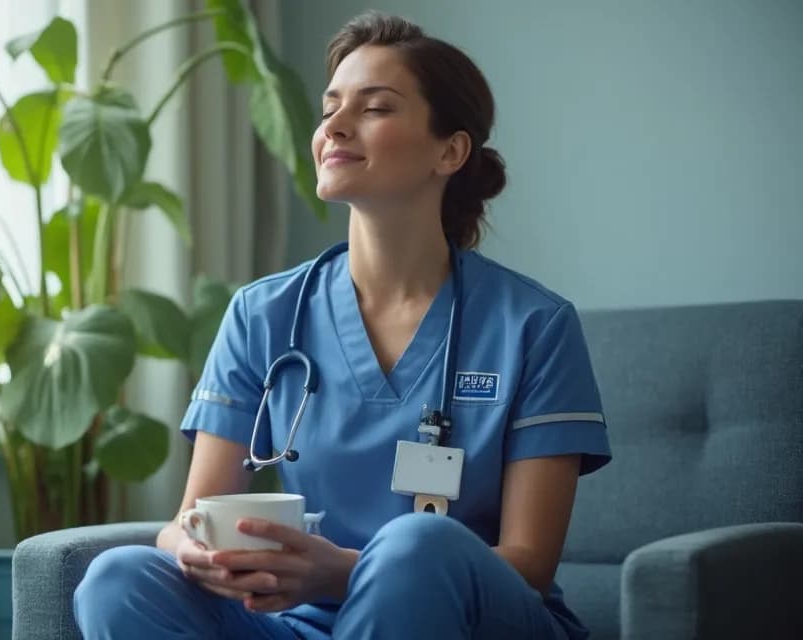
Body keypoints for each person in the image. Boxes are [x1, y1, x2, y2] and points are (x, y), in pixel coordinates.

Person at [72, 10, 612, 640]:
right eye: (330, 108)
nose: (334, 126)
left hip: (475, 620)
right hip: (305, 627)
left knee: (418, 544)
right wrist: (192, 550)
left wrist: (341, 573)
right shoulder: (261, 314)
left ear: (451, 149)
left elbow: (529, 566)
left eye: (375, 108)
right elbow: (188, 519)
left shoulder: (534, 326)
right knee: (118, 580)